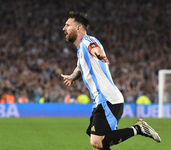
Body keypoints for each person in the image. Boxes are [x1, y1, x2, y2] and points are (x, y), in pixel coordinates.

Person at [61, 11, 161, 150]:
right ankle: (138, 128)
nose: (64, 29)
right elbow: (80, 68)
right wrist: (72, 76)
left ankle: (138, 128)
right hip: (101, 101)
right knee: (98, 145)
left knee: (97, 142)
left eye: (67, 25)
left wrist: (98, 53)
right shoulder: (80, 51)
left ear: (78, 28)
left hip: (107, 99)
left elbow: (94, 47)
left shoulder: (87, 40)